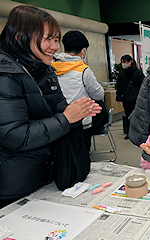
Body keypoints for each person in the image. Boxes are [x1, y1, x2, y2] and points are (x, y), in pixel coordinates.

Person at [0, 5, 101, 207]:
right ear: (20, 37)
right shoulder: (5, 75)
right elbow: (14, 135)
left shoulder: (45, 70)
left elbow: (60, 111)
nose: (55, 47)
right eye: (48, 39)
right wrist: (66, 118)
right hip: (14, 185)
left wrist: (77, 114)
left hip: (46, 176)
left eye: (57, 40)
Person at [52, 30, 105, 152]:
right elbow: (98, 94)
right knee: (81, 154)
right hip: (80, 120)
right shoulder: (83, 70)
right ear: (84, 50)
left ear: (64, 47)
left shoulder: (51, 66)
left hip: (58, 119)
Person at [115, 54, 145, 139]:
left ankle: (139, 133)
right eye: (122, 62)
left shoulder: (138, 73)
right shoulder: (121, 75)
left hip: (136, 99)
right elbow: (119, 87)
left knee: (137, 116)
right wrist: (119, 97)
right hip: (126, 99)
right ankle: (130, 133)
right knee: (128, 116)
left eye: (125, 62)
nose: (123, 64)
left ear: (130, 62)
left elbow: (143, 86)